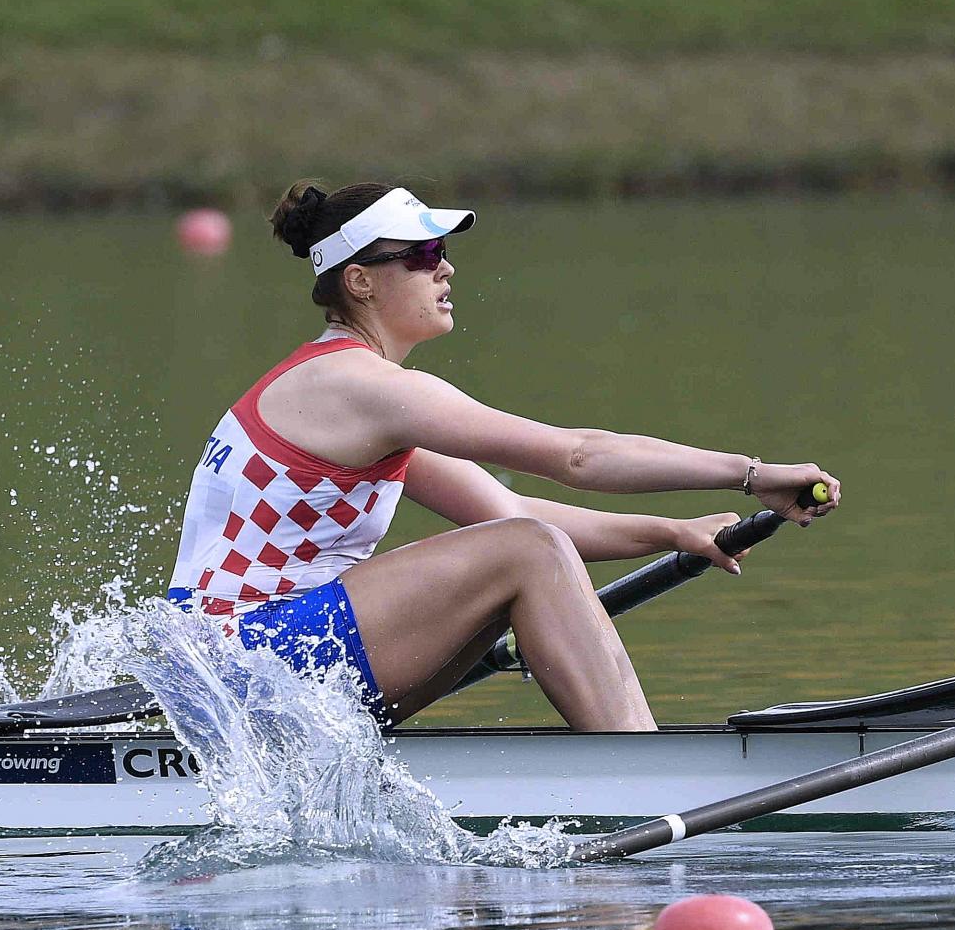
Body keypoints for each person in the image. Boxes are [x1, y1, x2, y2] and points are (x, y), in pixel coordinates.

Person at [168, 180, 839, 731]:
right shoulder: (359, 385)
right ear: (360, 281)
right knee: (527, 552)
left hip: (235, 668)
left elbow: (509, 508)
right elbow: (577, 458)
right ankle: (641, 768)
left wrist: (672, 532)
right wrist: (750, 474)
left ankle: (632, 756)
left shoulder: (353, 398)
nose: (446, 268)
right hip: (243, 662)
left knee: (525, 541)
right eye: (423, 253)